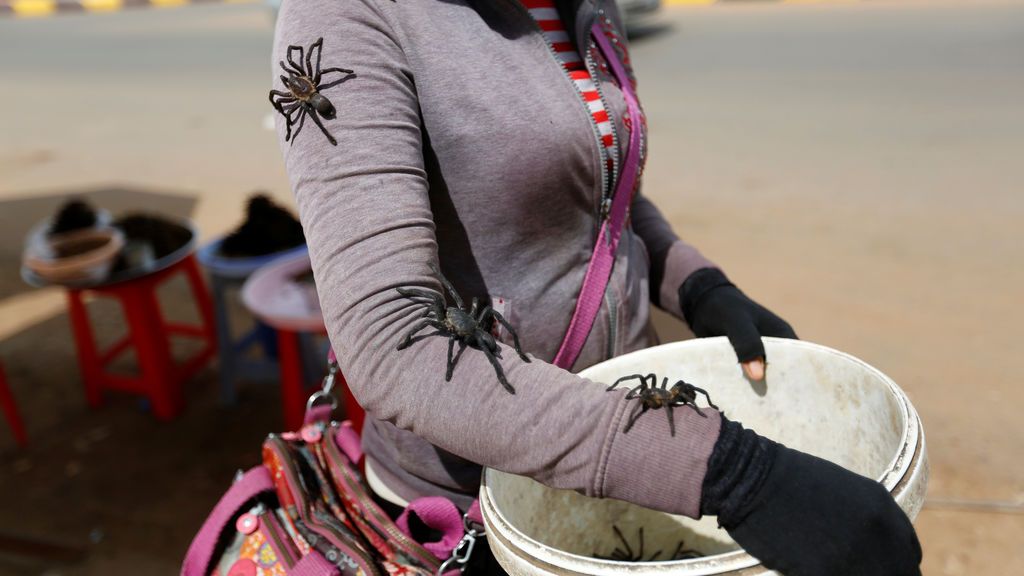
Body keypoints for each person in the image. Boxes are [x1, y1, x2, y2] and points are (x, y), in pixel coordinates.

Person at [270, 0, 922, 574]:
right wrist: (734, 473)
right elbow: (395, 348)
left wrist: (698, 286)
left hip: (627, 445)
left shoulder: (584, 3)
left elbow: (605, 194)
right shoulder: (343, 16)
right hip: (482, 499)